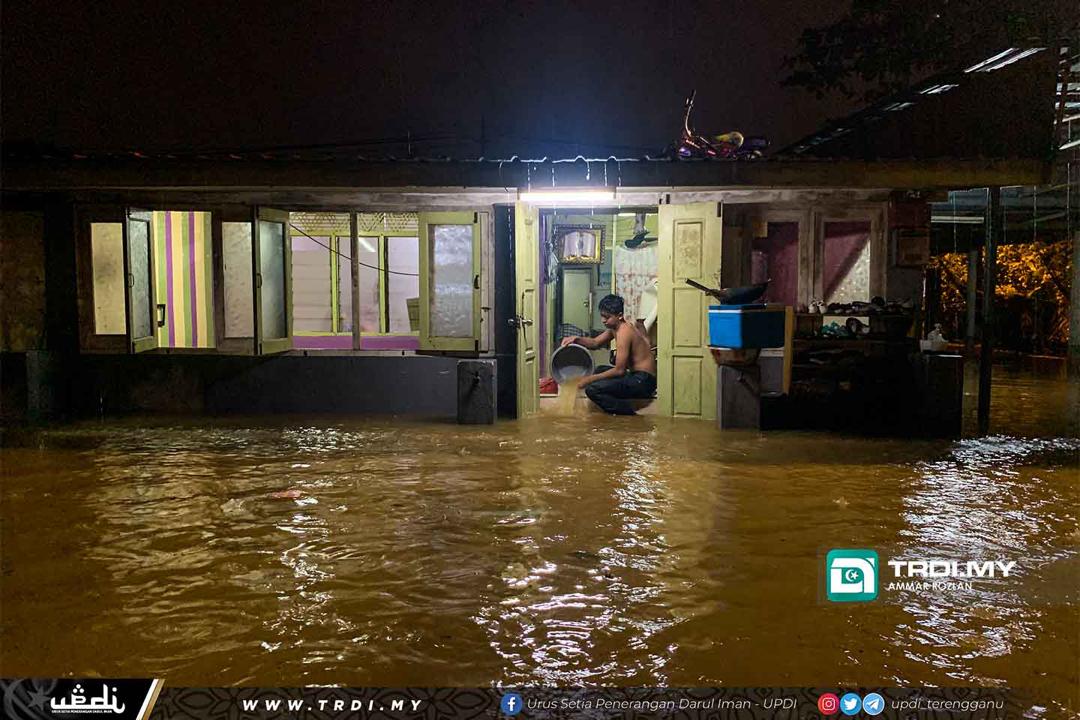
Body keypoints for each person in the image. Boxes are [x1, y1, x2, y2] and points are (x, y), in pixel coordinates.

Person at [560, 294, 656, 415]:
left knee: (593, 389)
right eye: (602, 316)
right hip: (635, 376)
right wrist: (576, 339)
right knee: (599, 370)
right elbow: (595, 343)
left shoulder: (624, 332)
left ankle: (628, 413)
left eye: (607, 317)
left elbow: (619, 370)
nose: (603, 320)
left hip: (644, 382)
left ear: (620, 316)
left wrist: (588, 379)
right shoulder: (615, 328)